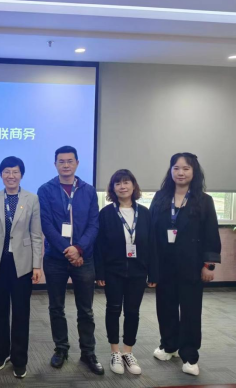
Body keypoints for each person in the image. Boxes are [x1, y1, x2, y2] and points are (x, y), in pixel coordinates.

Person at [150, 153, 221, 376]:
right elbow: (151, 231)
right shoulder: (160, 197)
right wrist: (150, 265)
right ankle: (169, 345)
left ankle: (190, 355)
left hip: (192, 265)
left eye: (186, 168)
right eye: (176, 168)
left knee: (190, 310)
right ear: (170, 170)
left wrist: (209, 265)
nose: (180, 172)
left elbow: (211, 233)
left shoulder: (204, 200)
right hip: (164, 264)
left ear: (194, 171)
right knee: (165, 306)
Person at [37, 145, 103, 375]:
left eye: (70, 161)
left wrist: (79, 249)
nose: (66, 165)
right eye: (61, 161)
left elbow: (94, 224)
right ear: (55, 164)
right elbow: (46, 224)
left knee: (86, 310)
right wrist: (68, 250)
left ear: (77, 163)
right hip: (56, 258)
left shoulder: (88, 190)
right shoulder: (45, 190)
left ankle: (88, 352)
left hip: (84, 258)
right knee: (56, 307)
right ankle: (61, 349)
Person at [0, 156, 43, 379]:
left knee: (21, 313)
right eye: (7, 171)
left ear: (21, 174)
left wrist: (37, 265)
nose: (11, 176)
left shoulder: (32, 199)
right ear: (1, 175)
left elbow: (36, 234)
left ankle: (19, 359)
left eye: (15, 171)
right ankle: (1, 355)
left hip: (23, 264)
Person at [95, 169, 158, 375]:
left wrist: (153, 273)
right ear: (112, 189)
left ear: (133, 185)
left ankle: (128, 352)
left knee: (132, 312)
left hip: (138, 271)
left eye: (126, 182)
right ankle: (115, 352)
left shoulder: (145, 213)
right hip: (113, 271)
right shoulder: (106, 213)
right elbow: (99, 246)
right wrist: (100, 273)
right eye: (118, 183)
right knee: (113, 309)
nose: (122, 186)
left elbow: (152, 244)